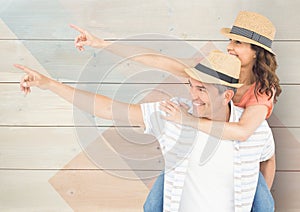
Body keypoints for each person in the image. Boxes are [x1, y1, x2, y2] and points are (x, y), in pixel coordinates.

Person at [70, 11, 281, 212]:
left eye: (238, 43)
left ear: (256, 52)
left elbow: (243, 132)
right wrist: (102, 44)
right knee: (153, 205)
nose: (230, 47)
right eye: (230, 41)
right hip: (200, 145)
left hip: (237, 153)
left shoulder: (262, 89)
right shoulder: (215, 69)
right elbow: (157, 61)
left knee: (263, 205)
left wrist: (187, 120)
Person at [16, 50, 274, 212]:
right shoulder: (171, 114)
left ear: (227, 95)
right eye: (190, 86)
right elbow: (106, 108)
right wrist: (49, 84)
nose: (192, 96)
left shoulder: (255, 128)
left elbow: (267, 159)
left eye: (202, 90)